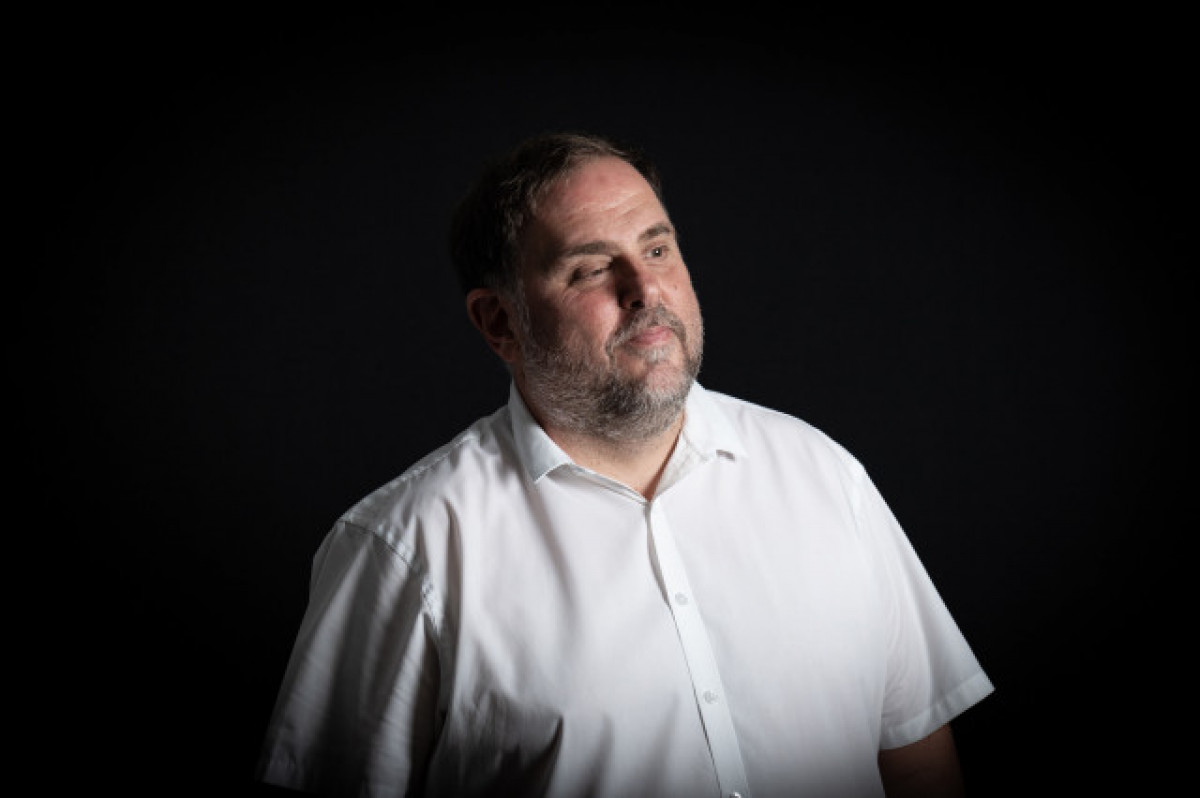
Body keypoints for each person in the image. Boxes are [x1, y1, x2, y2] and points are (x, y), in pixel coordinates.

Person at [257, 131, 994, 797]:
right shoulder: (404, 546)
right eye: (590, 269)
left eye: (657, 249)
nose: (646, 290)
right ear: (500, 321)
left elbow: (917, 761)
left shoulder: (824, 475)